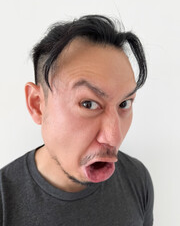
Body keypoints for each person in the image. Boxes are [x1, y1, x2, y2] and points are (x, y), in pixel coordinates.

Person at [0, 15, 154, 225]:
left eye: (124, 104)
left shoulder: (137, 179)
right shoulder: (4, 200)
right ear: (37, 104)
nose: (113, 137)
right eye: (88, 104)